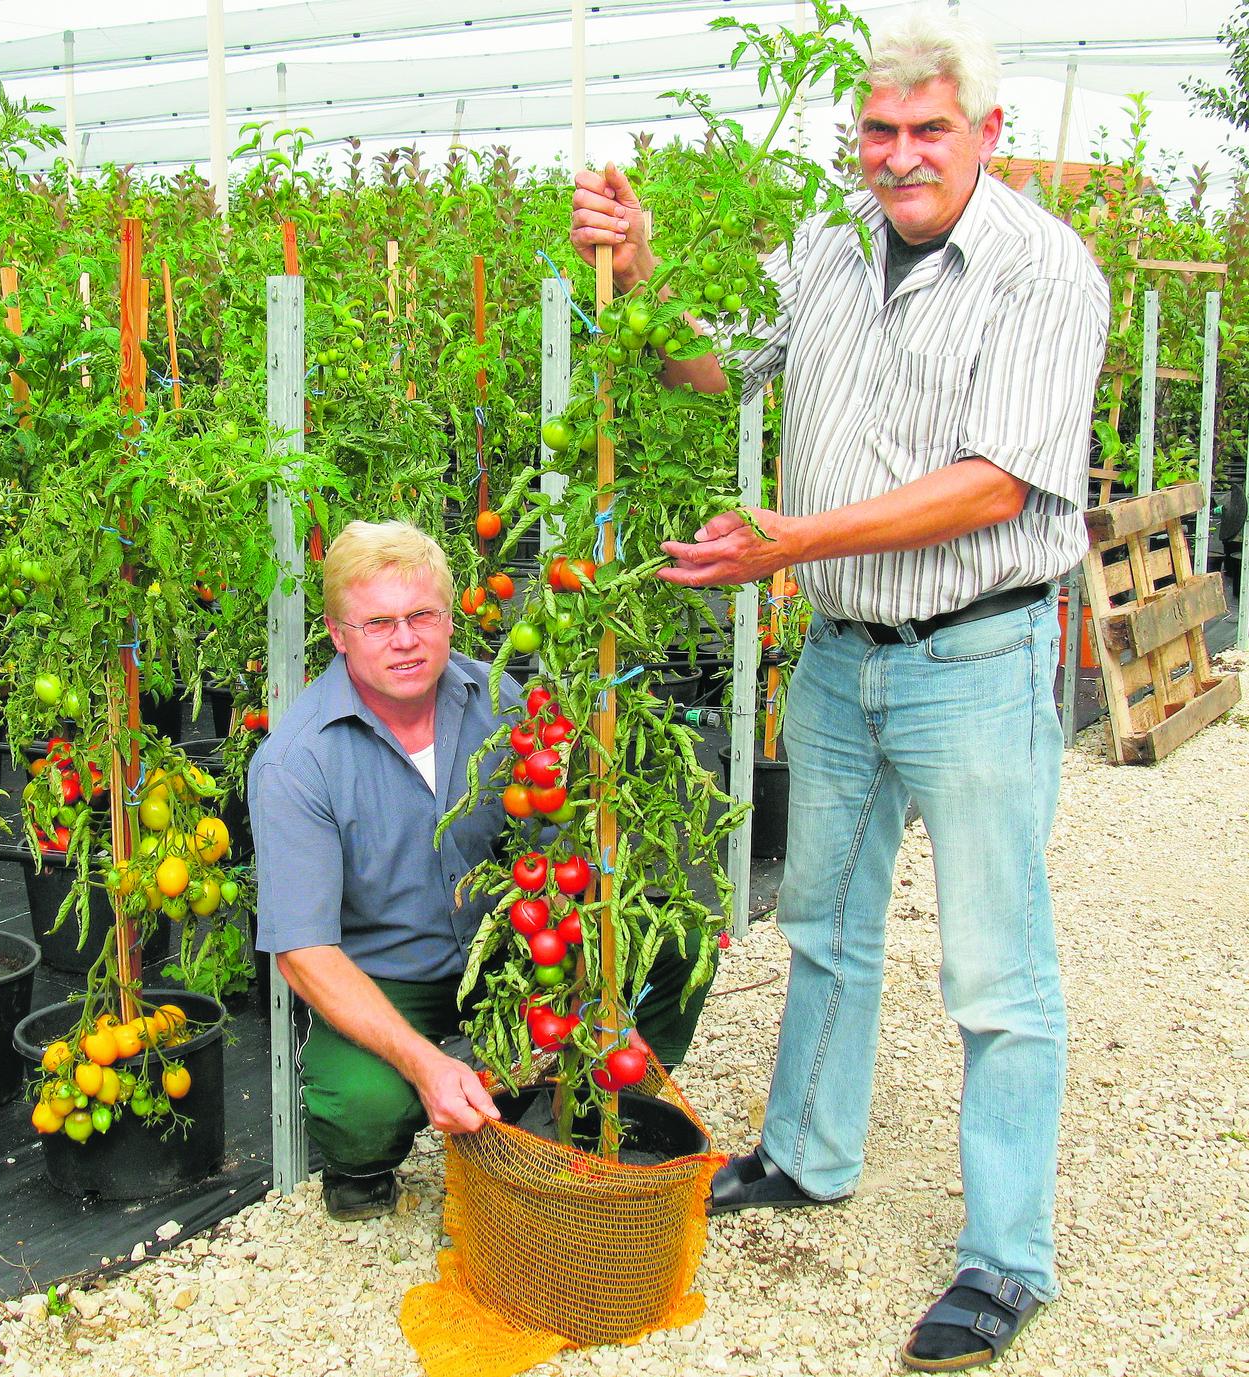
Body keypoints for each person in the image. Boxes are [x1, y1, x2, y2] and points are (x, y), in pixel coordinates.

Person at [570, 10, 1106, 1373]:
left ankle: (1005, 1258)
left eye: (931, 129)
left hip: (976, 657)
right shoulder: (822, 245)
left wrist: (788, 541)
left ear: (988, 134)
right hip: (838, 658)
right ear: (854, 137)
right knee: (822, 922)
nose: (903, 154)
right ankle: (807, 1154)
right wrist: (637, 267)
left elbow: (997, 479)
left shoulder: (1048, 271)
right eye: (880, 130)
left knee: (995, 971)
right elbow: (710, 360)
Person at [249, 519, 711, 1221]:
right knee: (363, 1105)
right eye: (377, 622)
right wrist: (424, 1062)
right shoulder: (297, 761)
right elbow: (304, 952)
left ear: (448, 615)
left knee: (675, 940)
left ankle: (609, 1098)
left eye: (420, 616)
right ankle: (362, 1165)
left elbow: (558, 846)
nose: (403, 639)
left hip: (505, 947)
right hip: (390, 974)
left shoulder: (501, 704)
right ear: (338, 634)